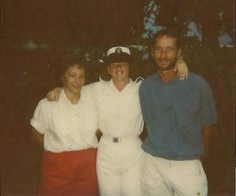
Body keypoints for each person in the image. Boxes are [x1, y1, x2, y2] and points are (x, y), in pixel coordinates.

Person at [47, 45, 188, 196]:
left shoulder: (142, 88)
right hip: (106, 151)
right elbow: (74, 89)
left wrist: (178, 63)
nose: (119, 68)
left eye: (123, 64)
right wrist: (58, 90)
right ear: (109, 69)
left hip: (132, 151)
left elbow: (165, 85)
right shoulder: (97, 89)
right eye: (114, 64)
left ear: (129, 67)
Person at [139, 28, 217, 196]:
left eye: (169, 49)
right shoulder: (146, 86)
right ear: (152, 52)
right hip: (153, 164)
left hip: (187, 166)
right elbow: (147, 123)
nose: (163, 54)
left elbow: (209, 126)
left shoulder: (197, 84)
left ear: (179, 52)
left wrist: (200, 158)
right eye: (159, 49)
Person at [30, 57, 99, 196]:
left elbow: (97, 131)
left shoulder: (93, 102)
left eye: (81, 76)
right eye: (72, 75)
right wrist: (53, 145)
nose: (77, 80)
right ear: (62, 77)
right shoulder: (47, 104)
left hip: (87, 163)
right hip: (57, 164)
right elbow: (35, 133)